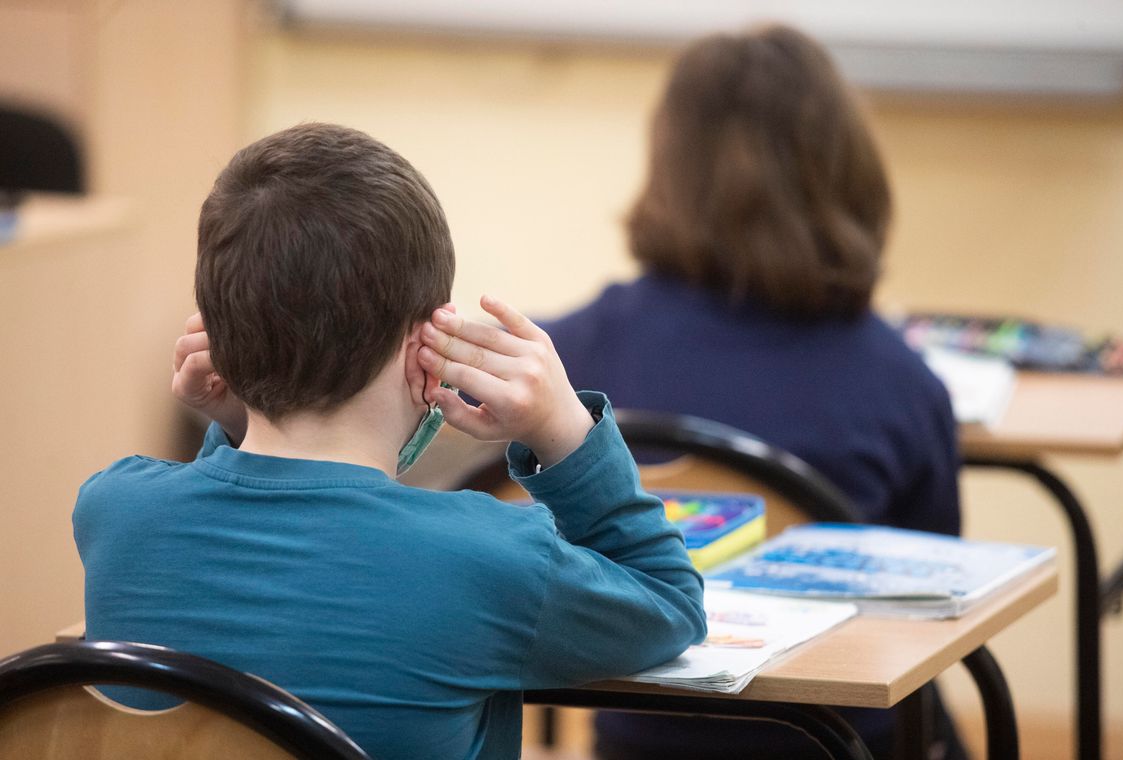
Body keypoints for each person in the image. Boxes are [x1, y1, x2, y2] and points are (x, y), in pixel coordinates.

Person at [72, 123, 706, 760]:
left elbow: (230, 551)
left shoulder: (113, 512)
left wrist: (239, 428)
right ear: (423, 349)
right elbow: (669, 604)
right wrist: (562, 429)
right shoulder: (492, 559)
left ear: (221, 330)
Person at [539, 26, 967, 760]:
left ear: (669, 169)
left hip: (637, 737)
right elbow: (937, 603)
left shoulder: (571, 358)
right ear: (848, 173)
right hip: (837, 741)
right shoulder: (901, 385)